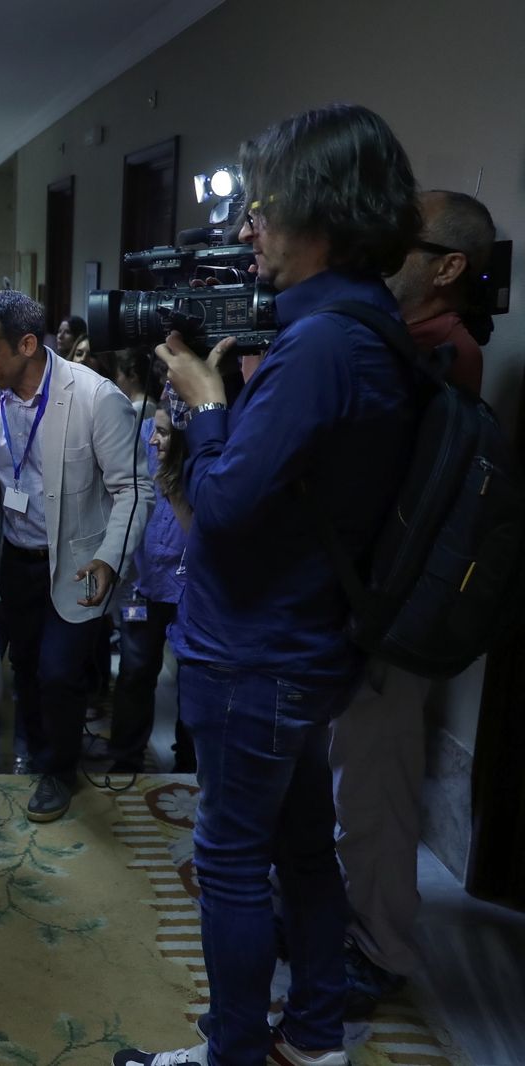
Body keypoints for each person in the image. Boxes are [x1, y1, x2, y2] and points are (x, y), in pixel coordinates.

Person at [118, 103, 422, 1066]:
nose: (246, 227)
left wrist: (207, 410)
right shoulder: (362, 328)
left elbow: (233, 501)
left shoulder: (324, 345)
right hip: (301, 642)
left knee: (233, 863)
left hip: (258, 649)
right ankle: (317, 1036)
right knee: (300, 850)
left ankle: (234, 1053)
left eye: (262, 208)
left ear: (321, 212)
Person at [331, 189, 496, 1019]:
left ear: (450, 266)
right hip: (370, 607)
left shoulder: (443, 355)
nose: (382, 255)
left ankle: (382, 949)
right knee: (355, 781)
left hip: (395, 621)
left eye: (406, 243)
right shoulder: (409, 343)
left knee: (378, 789)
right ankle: (352, 925)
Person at [0, 291, 151, 821]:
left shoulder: (96, 398)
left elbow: (135, 488)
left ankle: (58, 769)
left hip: (78, 565)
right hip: (16, 560)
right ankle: (39, 751)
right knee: (24, 667)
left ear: (27, 344)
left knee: (58, 673)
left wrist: (110, 558)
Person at [106, 399, 192, 774]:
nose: (154, 440)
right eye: (154, 430)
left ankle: (188, 764)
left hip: (189, 589)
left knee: (191, 681)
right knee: (135, 673)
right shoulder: (144, 437)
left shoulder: (203, 465)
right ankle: (126, 761)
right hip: (142, 584)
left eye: (164, 433)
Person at [385, 190, 495, 397]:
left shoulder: (454, 355)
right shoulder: (383, 317)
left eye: (404, 239)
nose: (385, 247)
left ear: (448, 269)